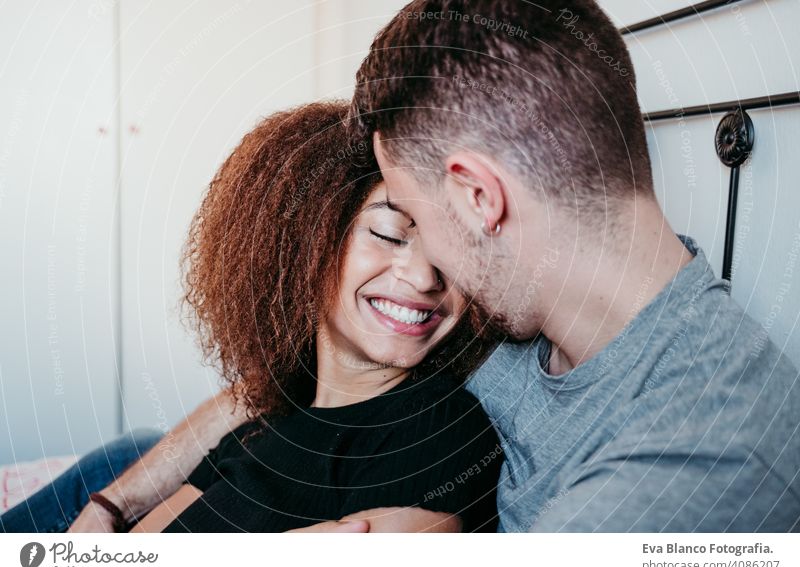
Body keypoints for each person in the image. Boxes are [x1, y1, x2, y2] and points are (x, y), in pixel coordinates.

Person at [55, 0, 800, 533]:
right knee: (119, 454)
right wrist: (113, 507)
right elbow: (275, 389)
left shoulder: (691, 459)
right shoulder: (534, 324)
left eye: (418, 214)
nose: (424, 271)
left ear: (480, 197)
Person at [3, 102, 503, 533]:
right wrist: (110, 509)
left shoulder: (440, 429)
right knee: (133, 448)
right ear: (307, 245)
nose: (425, 278)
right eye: (391, 235)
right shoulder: (273, 410)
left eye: (452, 250)